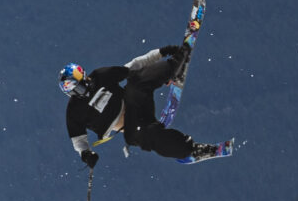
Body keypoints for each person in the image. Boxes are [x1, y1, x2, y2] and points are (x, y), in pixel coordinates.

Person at [60, 43, 223, 164]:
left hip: (134, 103)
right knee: (145, 135)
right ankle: (190, 150)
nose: (86, 86)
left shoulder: (100, 76)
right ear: (72, 93)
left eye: (84, 79)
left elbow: (133, 66)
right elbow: (78, 140)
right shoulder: (74, 112)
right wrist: (86, 154)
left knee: (135, 81)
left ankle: (175, 65)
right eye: (80, 88)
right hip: (129, 125)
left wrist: (162, 52)